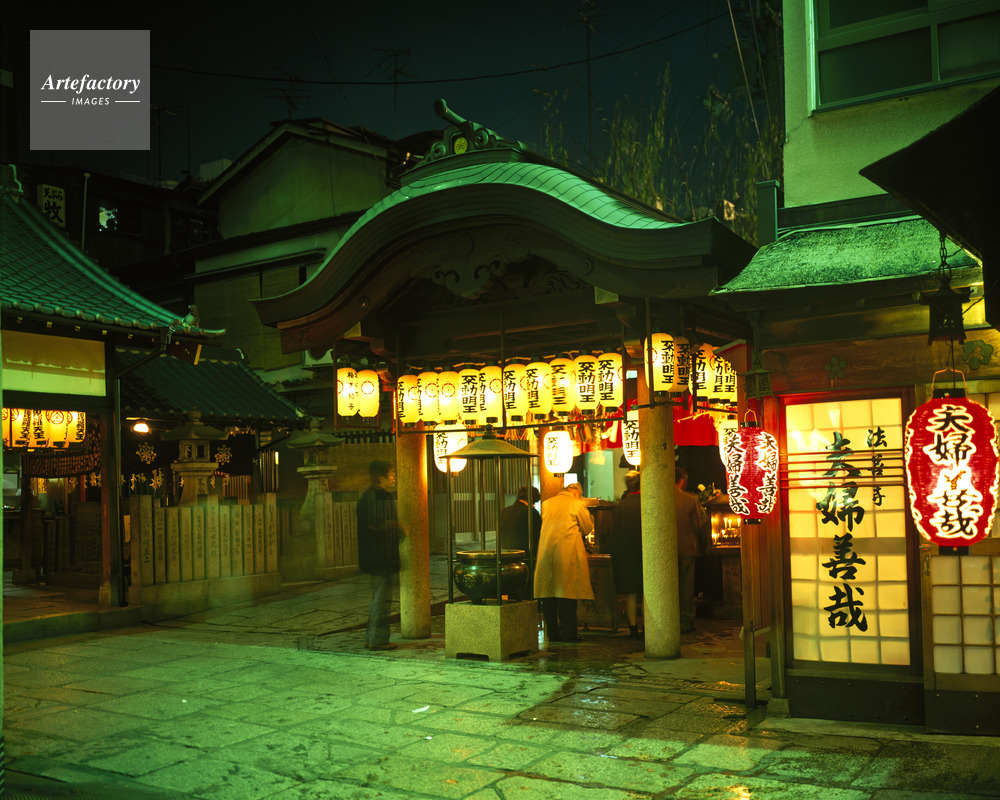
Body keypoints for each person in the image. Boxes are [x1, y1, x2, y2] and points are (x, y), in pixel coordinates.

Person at [533, 482, 595, 643]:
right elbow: (587, 528)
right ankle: (569, 634)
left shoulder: (547, 503)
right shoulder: (577, 504)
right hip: (567, 553)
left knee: (548, 595)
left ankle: (552, 634)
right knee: (567, 593)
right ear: (577, 493)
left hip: (546, 553)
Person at [356, 460, 404, 650]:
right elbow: (378, 525)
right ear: (381, 476)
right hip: (383, 556)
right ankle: (378, 640)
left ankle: (370, 637)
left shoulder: (366, 497)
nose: (394, 477)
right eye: (391, 473)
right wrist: (396, 527)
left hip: (372, 555)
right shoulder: (381, 497)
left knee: (377, 599)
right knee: (383, 601)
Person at [610, 470, 643, 639]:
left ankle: (633, 627)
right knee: (647, 593)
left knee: (631, 593)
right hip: (645, 554)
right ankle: (648, 627)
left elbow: (615, 534)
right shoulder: (646, 502)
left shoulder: (620, 507)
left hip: (627, 556)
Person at [675, 466, 708, 634]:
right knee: (686, 587)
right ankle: (686, 621)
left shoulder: (660, 498)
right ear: (682, 481)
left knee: (669, 586)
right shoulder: (690, 499)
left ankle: (670, 621)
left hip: (666, 551)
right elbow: (699, 523)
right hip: (687, 548)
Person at [498, 485, 541, 555]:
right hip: (526, 556)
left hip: (507, 555)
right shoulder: (531, 512)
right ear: (531, 499)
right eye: (534, 503)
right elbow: (538, 536)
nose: (534, 506)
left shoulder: (504, 511)